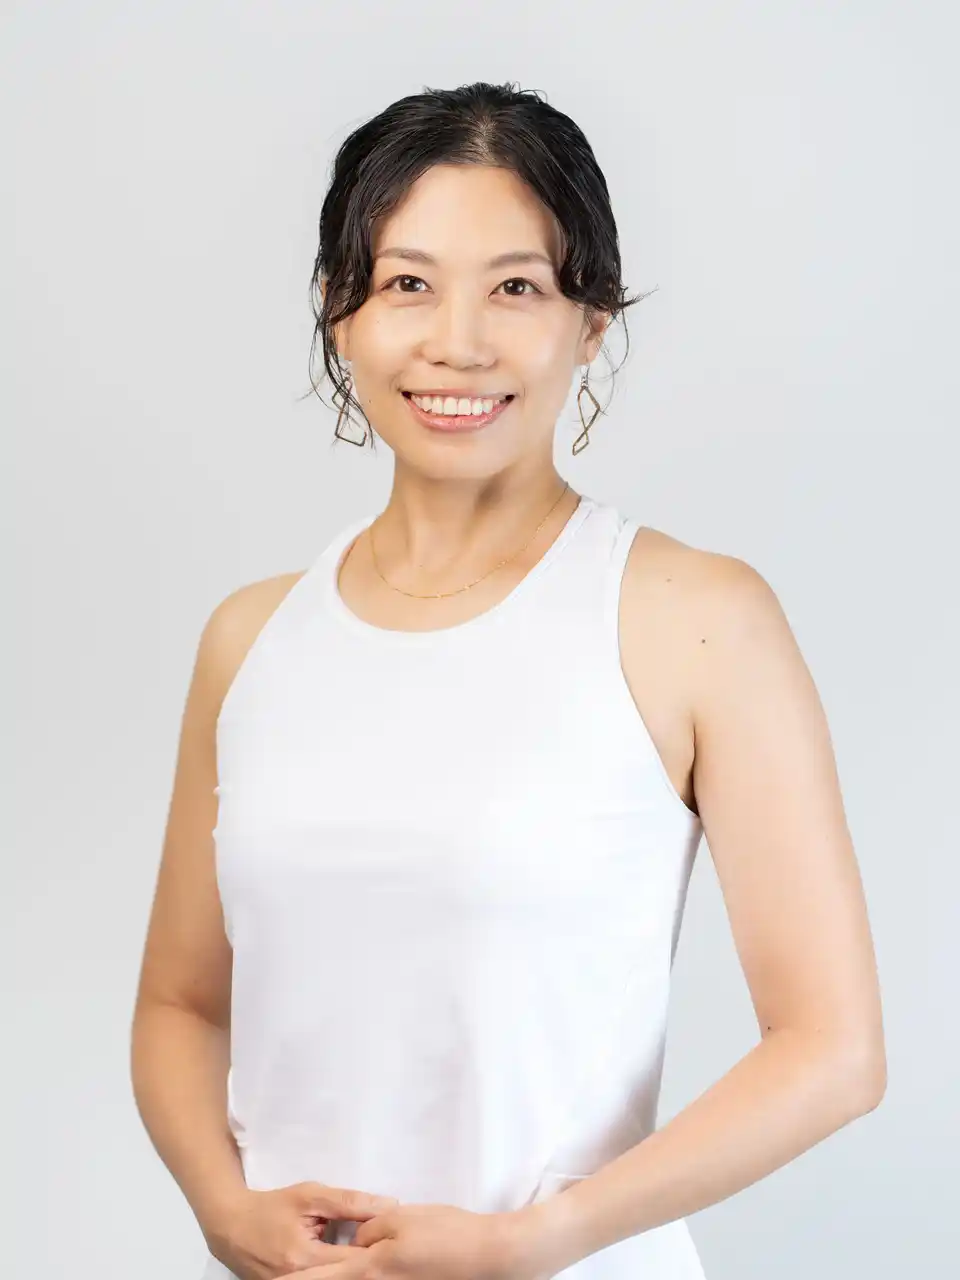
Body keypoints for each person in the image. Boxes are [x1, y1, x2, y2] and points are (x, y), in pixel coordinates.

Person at [130, 82, 886, 1280]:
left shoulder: (696, 620)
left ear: (592, 321)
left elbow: (834, 1049)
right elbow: (181, 1002)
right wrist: (225, 1207)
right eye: (407, 283)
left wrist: (532, 1240)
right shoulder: (251, 638)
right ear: (339, 311)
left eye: (517, 287)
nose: (460, 341)